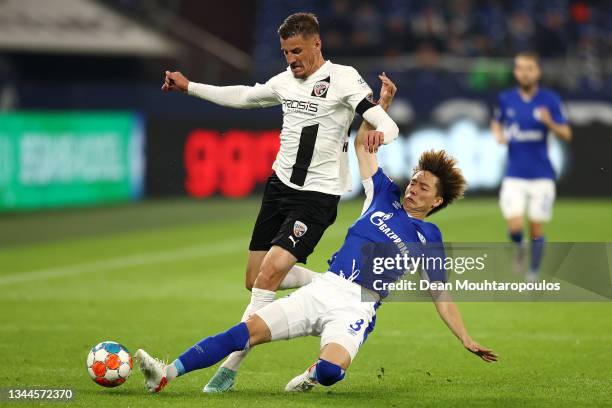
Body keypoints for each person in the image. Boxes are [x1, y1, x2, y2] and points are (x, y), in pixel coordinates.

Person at [135, 74, 496, 394]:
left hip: (358, 307)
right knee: (245, 331)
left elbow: (440, 293)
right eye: (414, 181)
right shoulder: (383, 194)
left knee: (328, 372)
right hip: (326, 288)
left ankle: (312, 373)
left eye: (423, 188)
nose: (413, 188)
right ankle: (165, 373)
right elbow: (361, 146)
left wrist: (465, 338)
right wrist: (381, 106)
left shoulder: (428, 237)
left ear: (437, 200)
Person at [162, 12, 399, 392]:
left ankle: (229, 369)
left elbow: (386, 124)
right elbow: (242, 96)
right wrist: (190, 86)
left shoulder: (342, 78)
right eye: (286, 52)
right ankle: (330, 285)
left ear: (317, 44)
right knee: (254, 279)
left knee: (270, 272)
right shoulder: (285, 81)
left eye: (297, 50)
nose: (291, 59)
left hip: (317, 197)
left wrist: (380, 135)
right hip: (279, 189)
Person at [490, 52, 571, 282]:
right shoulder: (506, 99)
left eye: (530, 68)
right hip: (514, 175)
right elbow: (496, 120)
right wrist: (498, 134)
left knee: (536, 228)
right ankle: (520, 246)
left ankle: (533, 273)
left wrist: (550, 122)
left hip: (542, 176)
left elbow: (566, 133)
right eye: (521, 68)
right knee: (515, 226)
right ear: (516, 72)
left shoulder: (550, 100)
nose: (525, 72)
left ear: (537, 72)